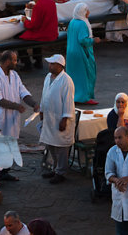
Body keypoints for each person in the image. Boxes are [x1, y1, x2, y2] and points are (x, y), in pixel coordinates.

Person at [0, 50, 40, 148]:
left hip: (12, 118)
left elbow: (23, 92)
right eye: (14, 60)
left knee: (11, 143)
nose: (17, 62)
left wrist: (34, 104)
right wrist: (16, 106)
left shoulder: (14, 75)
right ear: (7, 61)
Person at [39, 55, 75, 185]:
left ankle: (61, 172)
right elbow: (44, 95)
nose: (50, 66)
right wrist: (41, 111)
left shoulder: (66, 81)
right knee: (51, 144)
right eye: (49, 64)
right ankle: (55, 168)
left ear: (60, 66)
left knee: (61, 148)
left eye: (52, 64)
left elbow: (68, 101)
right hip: (49, 118)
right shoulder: (48, 77)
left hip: (60, 118)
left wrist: (65, 119)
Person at [18, 0, 58, 70]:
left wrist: (25, 21)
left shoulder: (38, 6)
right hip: (53, 32)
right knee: (35, 38)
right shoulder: (51, 1)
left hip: (44, 34)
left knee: (19, 40)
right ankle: (38, 61)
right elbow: (44, 11)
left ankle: (27, 63)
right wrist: (34, 7)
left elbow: (33, 25)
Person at [66, 3, 97, 105]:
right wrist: (93, 40)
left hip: (71, 53)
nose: (89, 12)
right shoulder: (82, 24)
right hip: (80, 54)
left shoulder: (72, 22)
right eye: (87, 10)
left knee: (73, 77)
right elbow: (83, 40)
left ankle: (74, 97)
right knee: (84, 76)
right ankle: (85, 97)